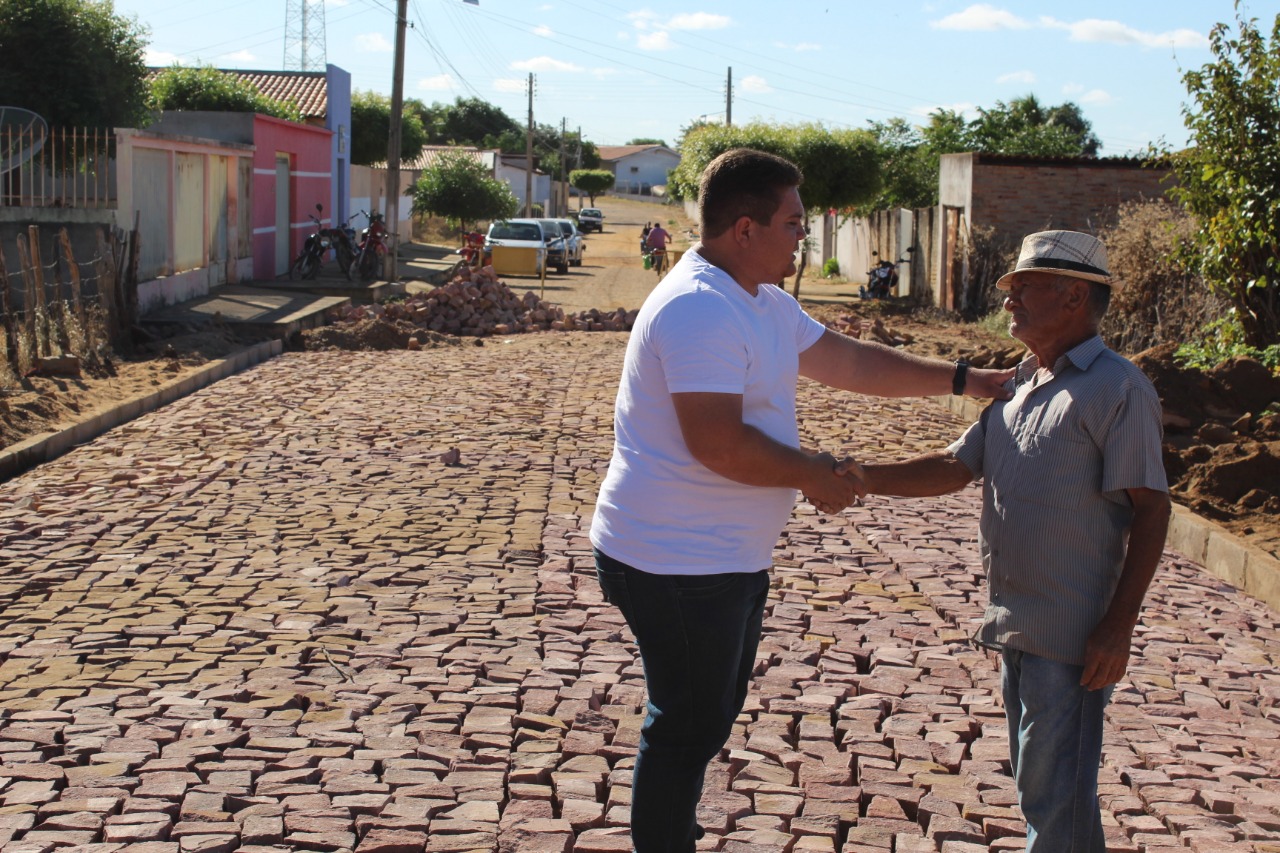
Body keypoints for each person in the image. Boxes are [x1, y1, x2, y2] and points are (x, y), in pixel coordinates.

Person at [589, 148, 1013, 853]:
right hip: (673, 560)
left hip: (719, 557)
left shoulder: (761, 301)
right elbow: (717, 442)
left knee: (707, 714)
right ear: (745, 229)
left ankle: (672, 829)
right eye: (793, 223)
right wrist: (813, 473)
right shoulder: (700, 307)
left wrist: (967, 378)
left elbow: (851, 362)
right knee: (686, 724)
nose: (802, 237)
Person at [848, 230, 1172, 852]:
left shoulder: (1117, 389)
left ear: (1074, 296)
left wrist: (1119, 627)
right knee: (1038, 785)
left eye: (1024, 288)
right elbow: (954, 468)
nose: (1008, 302)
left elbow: (1152, 509)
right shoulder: (1020, 381)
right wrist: (858, 477)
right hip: (1015, 619)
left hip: (1074, 634)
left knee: (1057, 797)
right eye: (1011, 289)